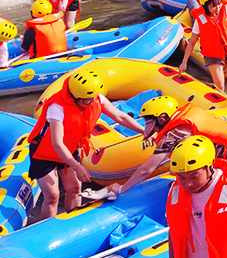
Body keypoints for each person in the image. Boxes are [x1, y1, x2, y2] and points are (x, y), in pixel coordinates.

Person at [27, 68, 143, 221]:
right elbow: (57, 143)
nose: (91, 102)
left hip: (71, 148)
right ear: (75, 97)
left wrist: (144, 131)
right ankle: (47, 227)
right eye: (86, 100)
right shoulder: (57, 108)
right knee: (52, 195)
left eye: (93, 98)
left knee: (75, 188)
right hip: (45, 152)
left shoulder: (96, 99)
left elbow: (120, 116)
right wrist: (77, 166)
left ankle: (72, 220)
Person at [113, 95, 227, 198]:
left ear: (162, 118)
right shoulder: (184, 116)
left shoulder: (175, 131)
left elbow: (147, 169)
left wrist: (122, 189)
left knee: (223, 192)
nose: (155, 131)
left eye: (154, 125)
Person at [182, 0, 227, 96]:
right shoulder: (200, 20)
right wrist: (184, 62)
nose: (218, 8)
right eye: (213, 6)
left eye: (219, 4)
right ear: (205, 6)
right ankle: (219, 105)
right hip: (212, 54)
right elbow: (192, 42)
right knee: (220, 86)